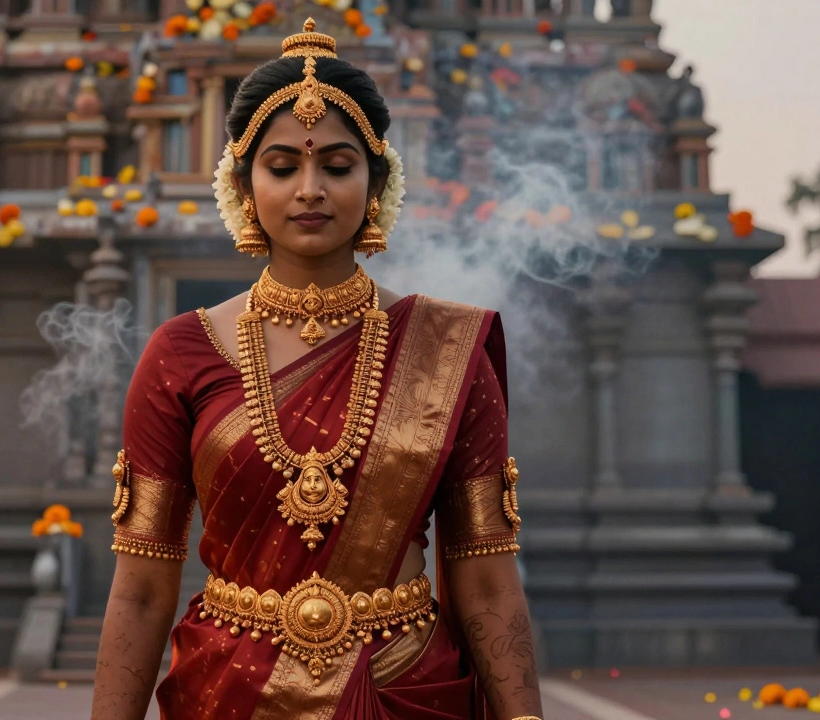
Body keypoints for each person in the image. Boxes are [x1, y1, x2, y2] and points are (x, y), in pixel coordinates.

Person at [92, 19, 543, 720]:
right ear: (243, 183)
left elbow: (485, 575)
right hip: (229, 691)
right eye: (282, 167)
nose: (310, 189)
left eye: (337, 166)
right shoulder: (181, 353)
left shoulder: (448, 353)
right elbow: (143, 586)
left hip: (404, 686)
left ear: (377, 180)